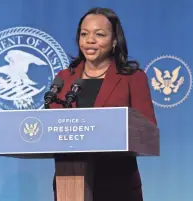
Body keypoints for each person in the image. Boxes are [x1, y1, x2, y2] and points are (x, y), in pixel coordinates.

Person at [50, 7, 157, 201]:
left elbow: (148, 130)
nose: (90, 40)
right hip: (71, 180)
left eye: (99, 34)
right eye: (84, 34)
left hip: (117, 181)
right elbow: (51, 127)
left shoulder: (132, 78)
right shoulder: (64, 78)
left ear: (115, 41)